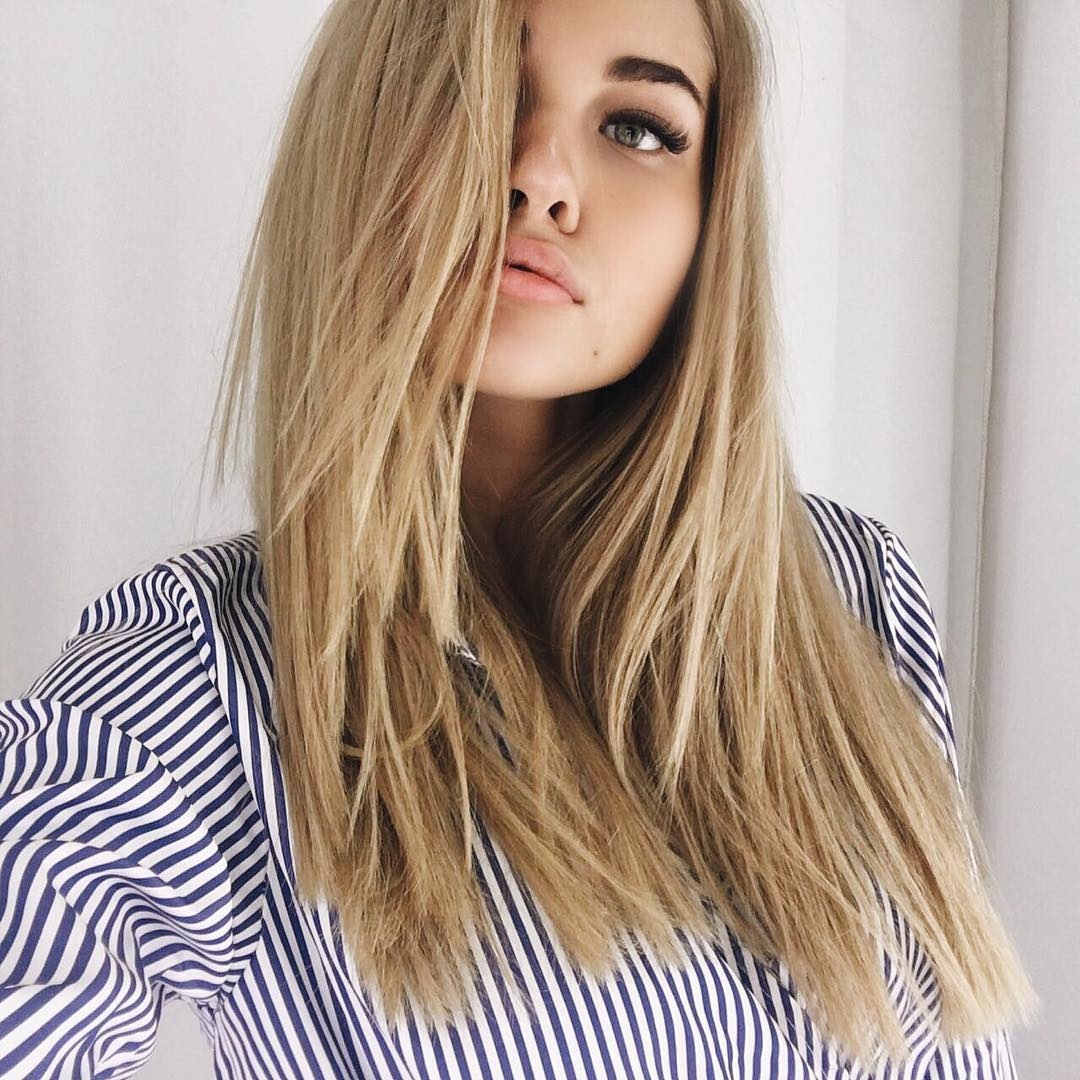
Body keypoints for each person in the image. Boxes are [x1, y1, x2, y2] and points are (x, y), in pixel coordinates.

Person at [0, 0, 1038, 1076]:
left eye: (638, 127)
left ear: (709, 217)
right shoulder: (205, 685)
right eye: (473, 91)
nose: (540, 176)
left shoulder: (852, 593)